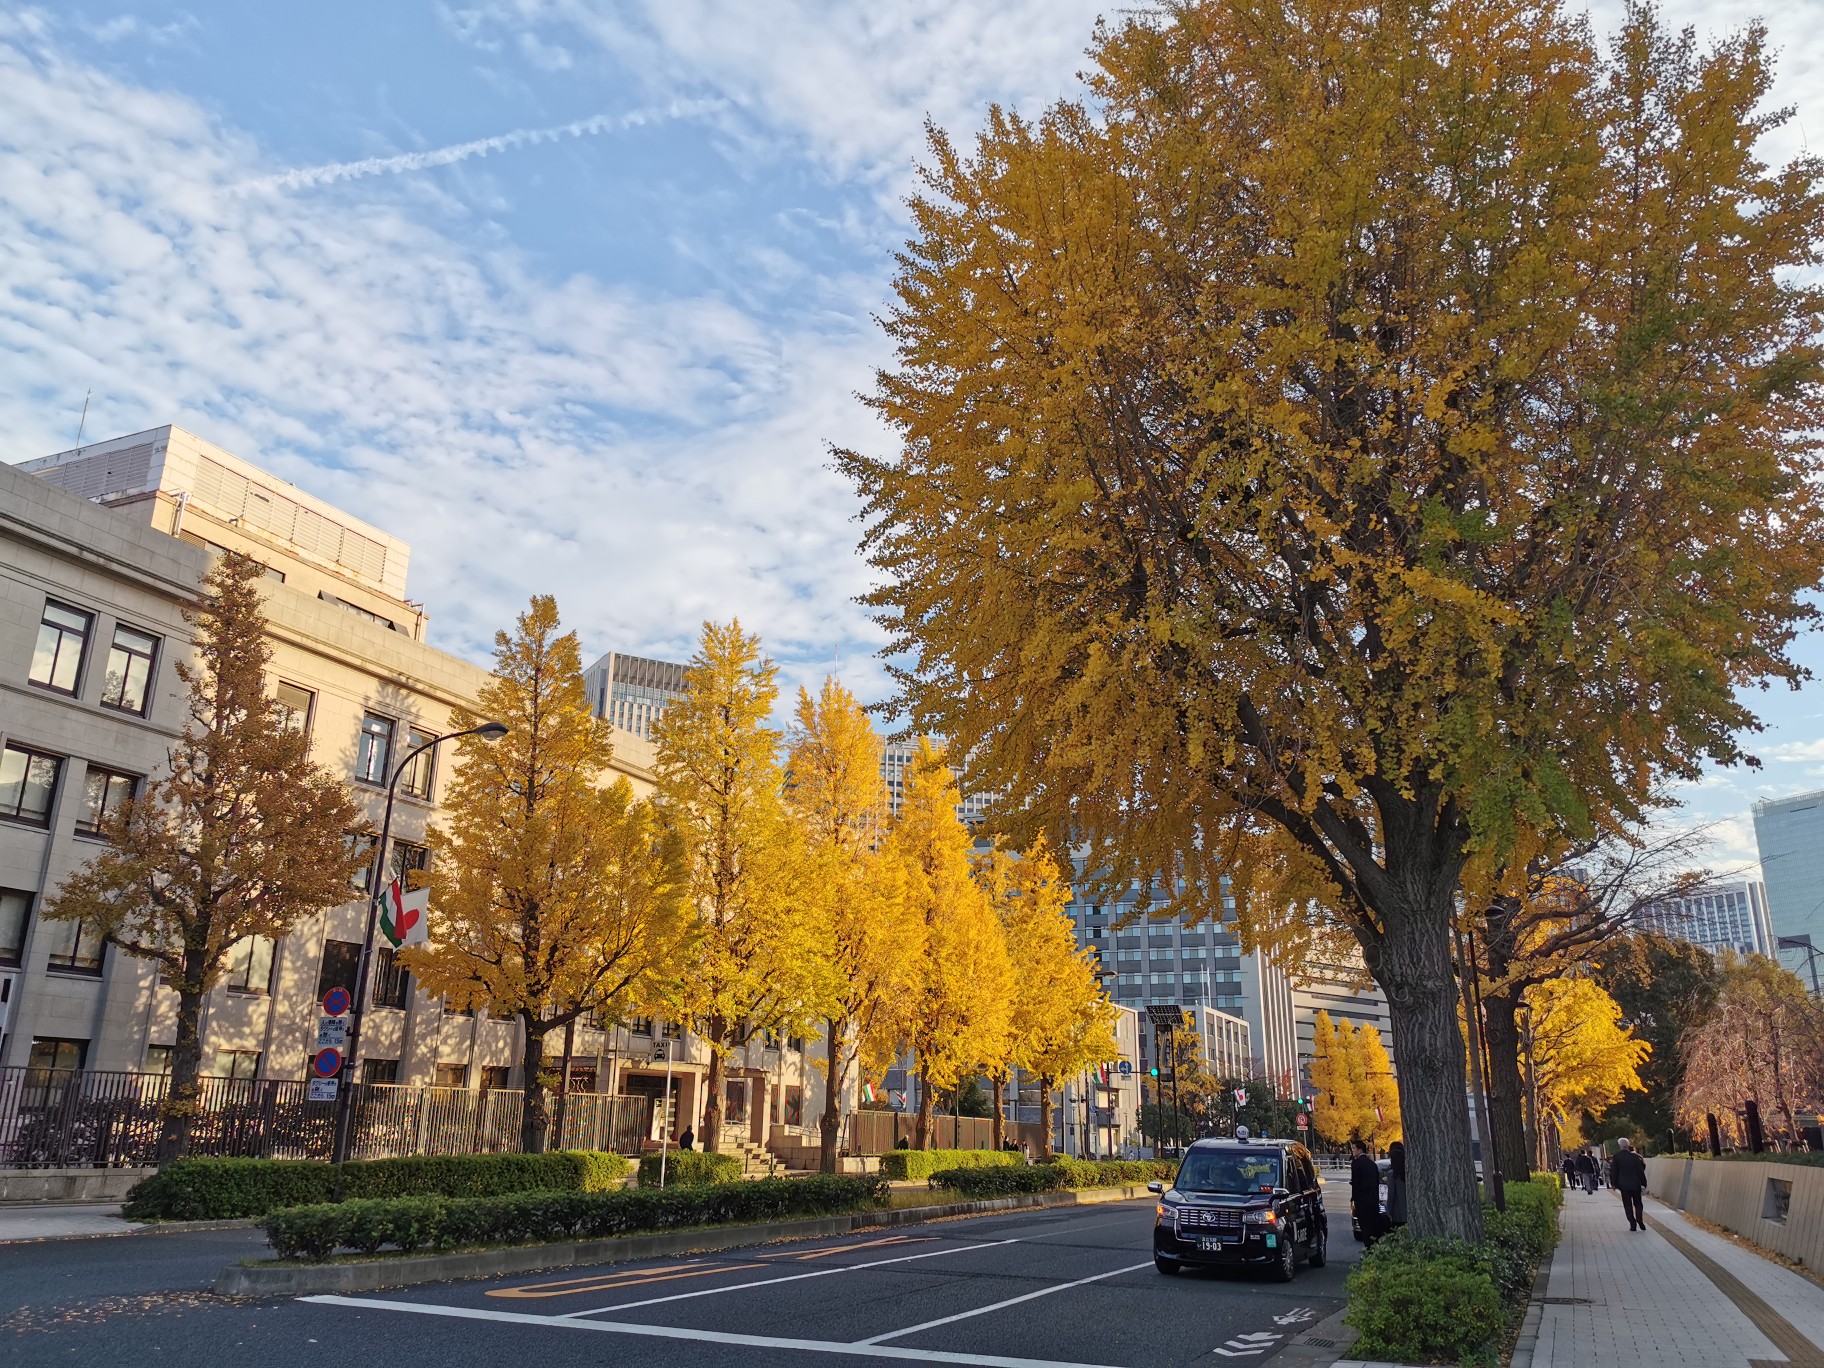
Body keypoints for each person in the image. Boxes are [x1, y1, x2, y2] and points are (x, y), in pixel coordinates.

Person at [1350, 1139, 1385, 1246]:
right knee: (1373, 1226)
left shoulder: (1356, 1164)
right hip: (1373, 1200)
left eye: (1354, 1149)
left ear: (1360, 1150)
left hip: (1362, 1200)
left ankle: (1368, 1248)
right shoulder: (1372, 1164)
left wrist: (1354, 1199)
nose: (1353, 1151)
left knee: (1364, 1226)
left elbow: (1356, 1183)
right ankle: (1374, 1247)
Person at [1611, 1136, 1648, 1231]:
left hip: (1624, 1185)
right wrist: (1644, 1183)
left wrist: (1614, 1184)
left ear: (1620, 1146)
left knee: (1627, 1205)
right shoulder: (1635, 1157)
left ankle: (1633, 1223)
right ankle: (1640, 1220)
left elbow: (1614, 1171)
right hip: (1635, 1184)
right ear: (1628, 1145)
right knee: (1638, 1203)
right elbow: (1640, 1171)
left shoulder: (1617, 1157)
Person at [1386, 1140, 1408, 1230]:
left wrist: (1388, 1211)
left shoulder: (1392, 1174)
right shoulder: (1408, 1173)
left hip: (1397, 1213)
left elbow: (1391, 1194)